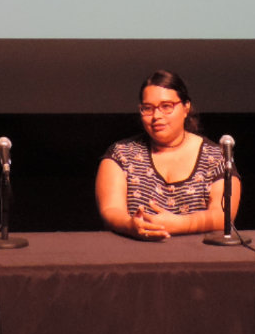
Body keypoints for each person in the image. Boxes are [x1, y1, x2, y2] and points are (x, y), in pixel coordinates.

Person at [95, 69, 241, 240]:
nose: (156, 116)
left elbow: (223, 215)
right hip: (133, 257)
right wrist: (130, 225)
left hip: (200, 258)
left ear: (186, 107)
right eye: (147, 108)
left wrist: (178, 224)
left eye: (166, 106)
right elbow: (110, 210)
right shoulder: (121, 154)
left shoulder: (216, 157)